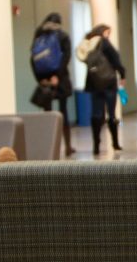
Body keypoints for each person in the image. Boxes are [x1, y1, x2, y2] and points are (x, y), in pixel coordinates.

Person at [28, 12, 76, 156]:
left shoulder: (39, 34)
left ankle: (48, 146)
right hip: (60, 78)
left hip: (43, 79)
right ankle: (67, 147)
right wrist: (57, 76)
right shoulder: (63, 36)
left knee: (47, 113)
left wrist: (40, 79)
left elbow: (33, 58)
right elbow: (66, 57)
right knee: (63, 112)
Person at [77, 22, 126, 155]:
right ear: (103, 32)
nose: (108, 35)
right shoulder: (104, 42)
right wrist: (122, 74)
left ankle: (96, 145)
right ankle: (115, 143)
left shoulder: (87, 42)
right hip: (108, 82)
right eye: (108, 32)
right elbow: (115, 59)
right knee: (111, 113)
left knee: (96, 113)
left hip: (94, 83)